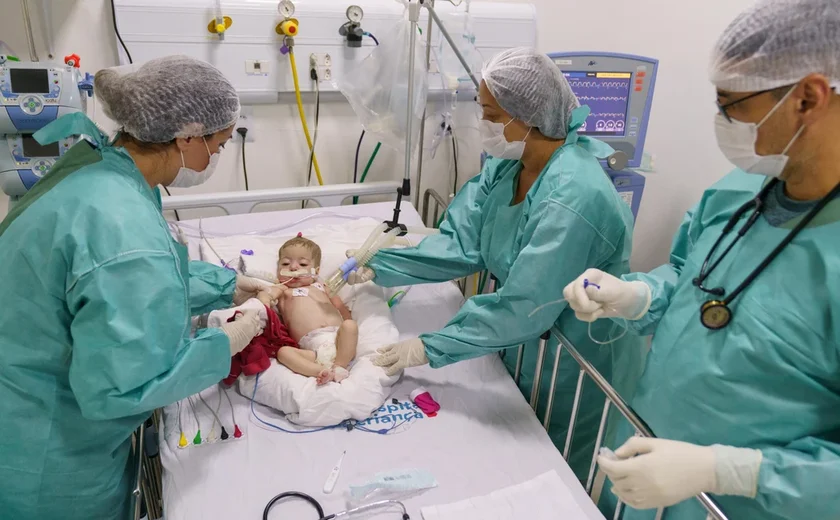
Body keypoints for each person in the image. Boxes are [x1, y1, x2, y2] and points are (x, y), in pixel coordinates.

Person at [564, 1, 840, 518]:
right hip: (647, 472)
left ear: (807, 97)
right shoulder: (736, 193)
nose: (721, 119)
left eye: (731, 103)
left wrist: (724, 471)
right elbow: (691, 275)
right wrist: (638, 294)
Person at [347, 47, 647, 478]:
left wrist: (426, 347)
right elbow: (461, 244)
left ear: (526, 116)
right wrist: (379, 264)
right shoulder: (510, 167)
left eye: (489, 114)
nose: (483, 125)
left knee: (556, 473)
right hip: (526, 341)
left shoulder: (573, 196)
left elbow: (526, 304)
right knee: (507, 448)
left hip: (576, 358)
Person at [0, 56, 270, 519]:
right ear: (186, 136)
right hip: (46, 457)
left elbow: (127, 284)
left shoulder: (98, 169)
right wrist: (226, 341)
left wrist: (228, 287)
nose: (217, 158)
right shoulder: (121, 224)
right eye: (220, 146)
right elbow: (127, 385)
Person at [258, 236, 357, 385]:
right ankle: (320, 371)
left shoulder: (322, 287)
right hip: (313, 350)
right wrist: (264, 298)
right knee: (283, 353)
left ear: (316, 271)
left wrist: (348, 324)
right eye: (285, 263)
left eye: (302, 263)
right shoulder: (283, 290)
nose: (293, 268)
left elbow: (341, 308)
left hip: (339, 340)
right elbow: (267, 295)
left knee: (350, 326)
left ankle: (339, 367)